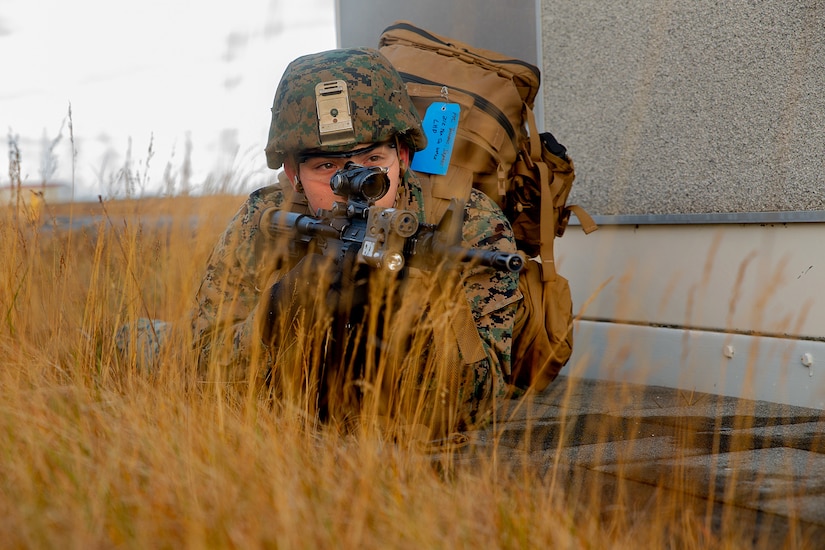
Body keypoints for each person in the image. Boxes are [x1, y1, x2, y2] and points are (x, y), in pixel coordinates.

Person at [133, 48, 523, 439]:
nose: (356, 187)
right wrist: (279, 310)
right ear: (293, 173)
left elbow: (480, 404)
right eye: (327, 168)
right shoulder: (265, 218)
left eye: (373, 160)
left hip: (383, 418)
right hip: (290, 410)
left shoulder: (468, 225)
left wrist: (412, 317)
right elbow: (201, 369)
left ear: (402, 156)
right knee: (143, 344)